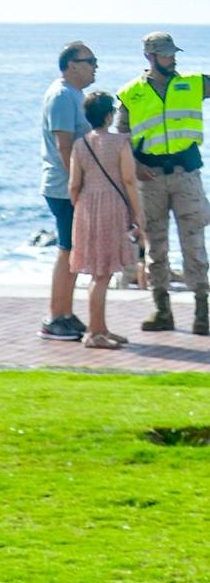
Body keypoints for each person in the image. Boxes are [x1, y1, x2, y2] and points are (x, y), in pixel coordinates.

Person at [118, 32, 208, 335]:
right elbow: (122, 138)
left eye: (173, 53)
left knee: (194, 241)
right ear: (150, 57)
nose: (173, 58)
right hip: (150, 178)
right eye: (167, 54)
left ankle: (202, 312)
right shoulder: (131, 93)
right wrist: (137, 164)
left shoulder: (194, 83)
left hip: (186, 174)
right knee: (155, 244)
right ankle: (162, 310)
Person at [70, 92, 143, 348]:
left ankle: (100, 328)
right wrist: (138, 214)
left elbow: (73, 185)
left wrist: (82, 207)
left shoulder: (80, 144)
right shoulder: (121, 141)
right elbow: (129, 180)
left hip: (87, 207)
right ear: (110, 116)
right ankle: (95, 334)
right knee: (102, 275)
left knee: (99, 272)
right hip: (112, 207)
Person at [39, 42, 98, 339]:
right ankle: (54, 317)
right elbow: (64, 145)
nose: (95, 67)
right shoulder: (63, 96)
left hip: (69, 185)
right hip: (64, 187)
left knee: (72, 251)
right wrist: (77, 183)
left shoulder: (74, 95)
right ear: (71, 64)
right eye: (90, 61)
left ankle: (65, 312)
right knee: (66, 251)